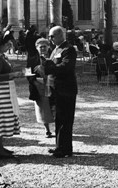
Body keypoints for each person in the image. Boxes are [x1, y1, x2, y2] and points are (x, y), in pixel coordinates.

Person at [0, 32, 25, 158]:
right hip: (0, 92)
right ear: (0, 45)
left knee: (3, 119)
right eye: (6, 43)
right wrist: (13, 75)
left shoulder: (1, 56)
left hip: (5, 91)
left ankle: (1, 147)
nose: (9, 45)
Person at [43, 26, 77, 158]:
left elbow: (65, 67)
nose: (50, 39)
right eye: (49, 36)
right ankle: (60, 146)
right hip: (56, 89)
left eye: (52, 36)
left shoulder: (68, 49)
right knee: (59, 119)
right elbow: (53, 64)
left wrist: (47, 68)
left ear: (60, 35)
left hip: (66, 90)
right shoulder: (56, 49)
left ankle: (64, 149)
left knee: (65, 120)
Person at [29, 38, 55, 139]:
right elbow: (27, 73)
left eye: (45, 46)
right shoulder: (32, 59)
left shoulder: (53, 58)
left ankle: (57, 128)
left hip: (52, 85)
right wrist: (35, 82)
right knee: (43, 108)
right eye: (40, 47)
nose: (43, 48)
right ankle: (47, 130)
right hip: (39, 86)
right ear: (37, 48)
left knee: (54, 106)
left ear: (48, 47)